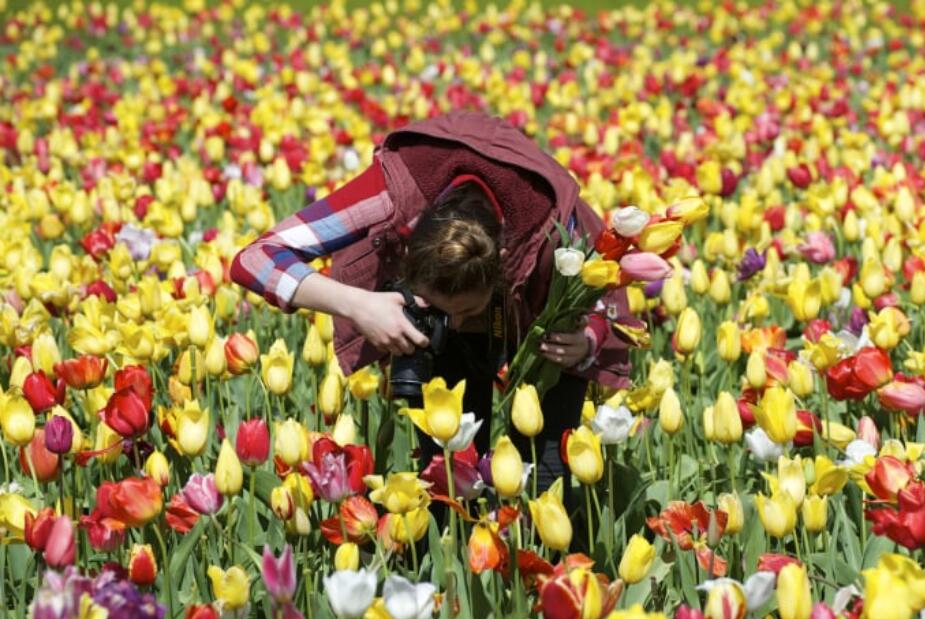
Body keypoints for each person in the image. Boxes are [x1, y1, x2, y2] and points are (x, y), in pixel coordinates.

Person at [230, 110, 636, 491]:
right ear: (405, 256)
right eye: (440, 307)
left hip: (532, 310)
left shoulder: (552, 224)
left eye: (467, 311)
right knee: (446, 470)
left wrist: (587, 338)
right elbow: (254, 258)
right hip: (453, 287)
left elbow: (605, 288)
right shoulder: (393, 192)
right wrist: (358, 305)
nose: (456, 323)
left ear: (504, 262)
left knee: (547, 478)